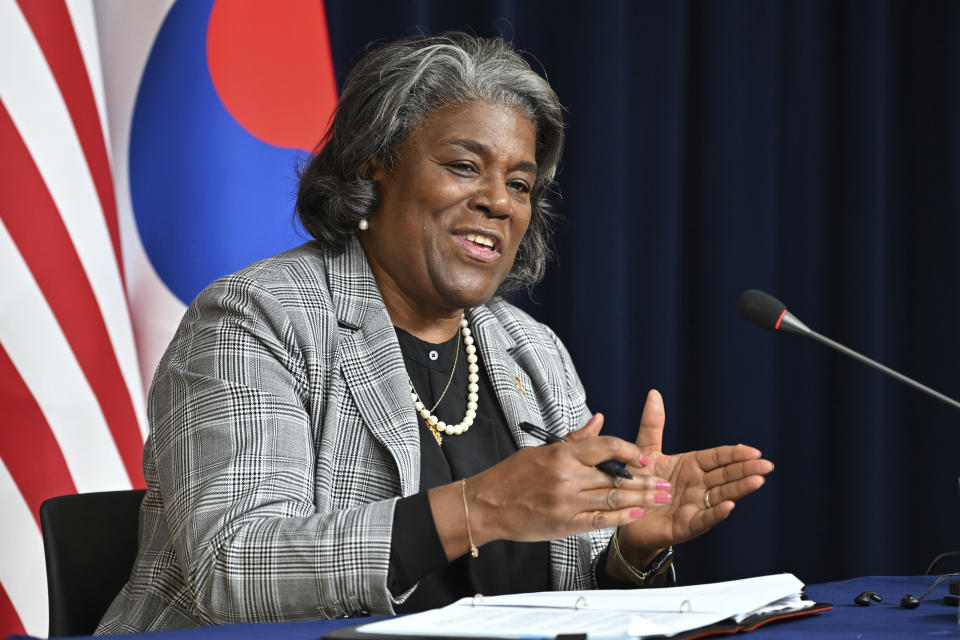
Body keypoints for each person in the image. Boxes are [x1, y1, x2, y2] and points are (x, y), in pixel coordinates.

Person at [97, 32, 774, 633]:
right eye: (463, 165)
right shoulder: (257, 318)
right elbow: (234, 568)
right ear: (373, 164)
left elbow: (567, 609)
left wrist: (631, 553)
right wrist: (479, 507)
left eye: (520, 183)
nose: (498, 202)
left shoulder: (528, 351)